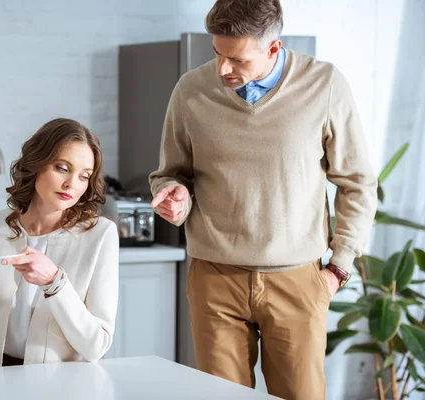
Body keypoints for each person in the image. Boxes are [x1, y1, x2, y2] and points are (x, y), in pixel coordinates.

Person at [148, 0, 378, 399]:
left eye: (236, 59)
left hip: (296, 280)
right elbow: (171, 173)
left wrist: (338, 268)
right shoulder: (191, 90)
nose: (222, 69)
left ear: (273, 48)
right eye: (217, 53)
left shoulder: (323, 85)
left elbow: (357, 181)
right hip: (214, 278)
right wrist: (174, 196)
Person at [0, 118, 119, 368]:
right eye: (62, 168)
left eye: (84, 176)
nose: (71, 184)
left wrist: (54, 282)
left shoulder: (100, 234)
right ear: (36, 164)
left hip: (61, 388)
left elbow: (95, 347)